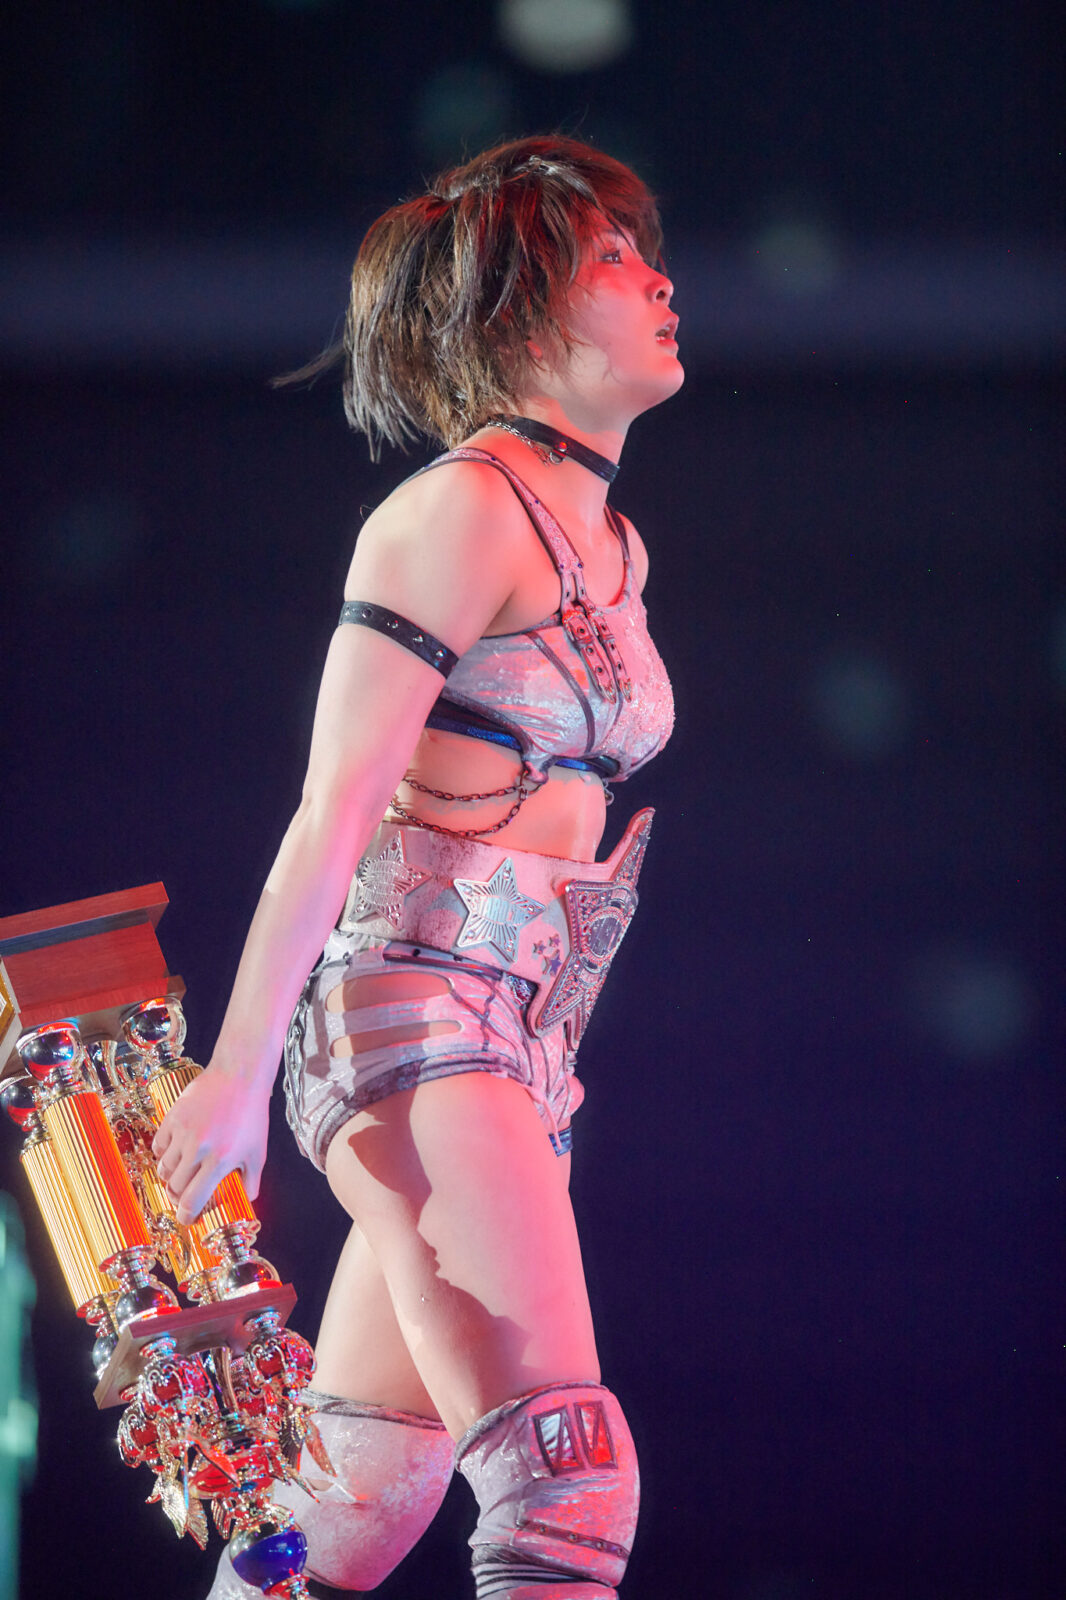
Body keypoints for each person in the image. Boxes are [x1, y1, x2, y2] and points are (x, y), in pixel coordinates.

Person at [152, 134, 682, 1599]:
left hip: (517, 1042)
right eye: (613, 260)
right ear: (518, 316)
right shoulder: (458, 512)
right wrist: (237, 1075)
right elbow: (333, 808)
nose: (659, 281)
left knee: (352, 1504)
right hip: (415, 1015)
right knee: (565, 1483)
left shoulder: (611, 542)